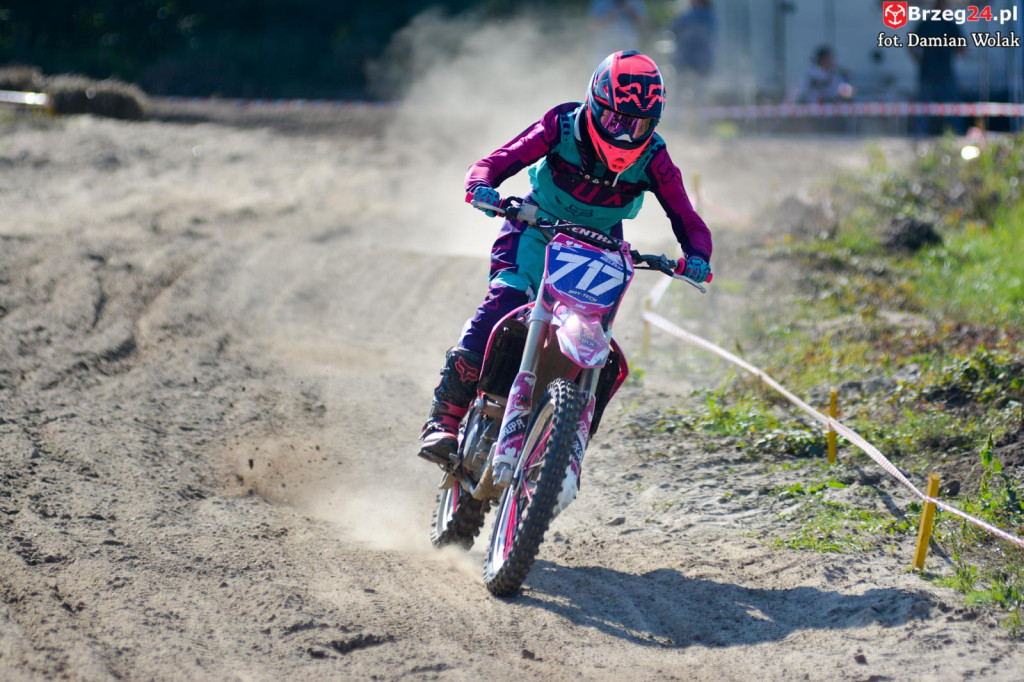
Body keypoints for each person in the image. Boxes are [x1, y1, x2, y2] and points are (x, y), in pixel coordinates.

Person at [417, 50, 714, 467]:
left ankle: (563, 445)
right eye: (616, 120)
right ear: (595, 104)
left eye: (640, 125)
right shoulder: (562, 125)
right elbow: (498, 161)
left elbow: (688, 219)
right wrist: (482, 185)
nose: (627, 136)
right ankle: (444, 419)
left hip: (600, 247)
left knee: (600, 344)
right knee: (502, 303)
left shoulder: (655, 159)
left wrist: (697, 255)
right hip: (535, 228)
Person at [910, 0, 966, 135]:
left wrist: (921, 62)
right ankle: (957, 136)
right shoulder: (950, 25)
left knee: (925, 111)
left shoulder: (926, 24)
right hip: (943, 74)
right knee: (951, 110)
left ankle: (920, 138)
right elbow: (963, 49)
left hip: (929, 73)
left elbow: (911, 47)